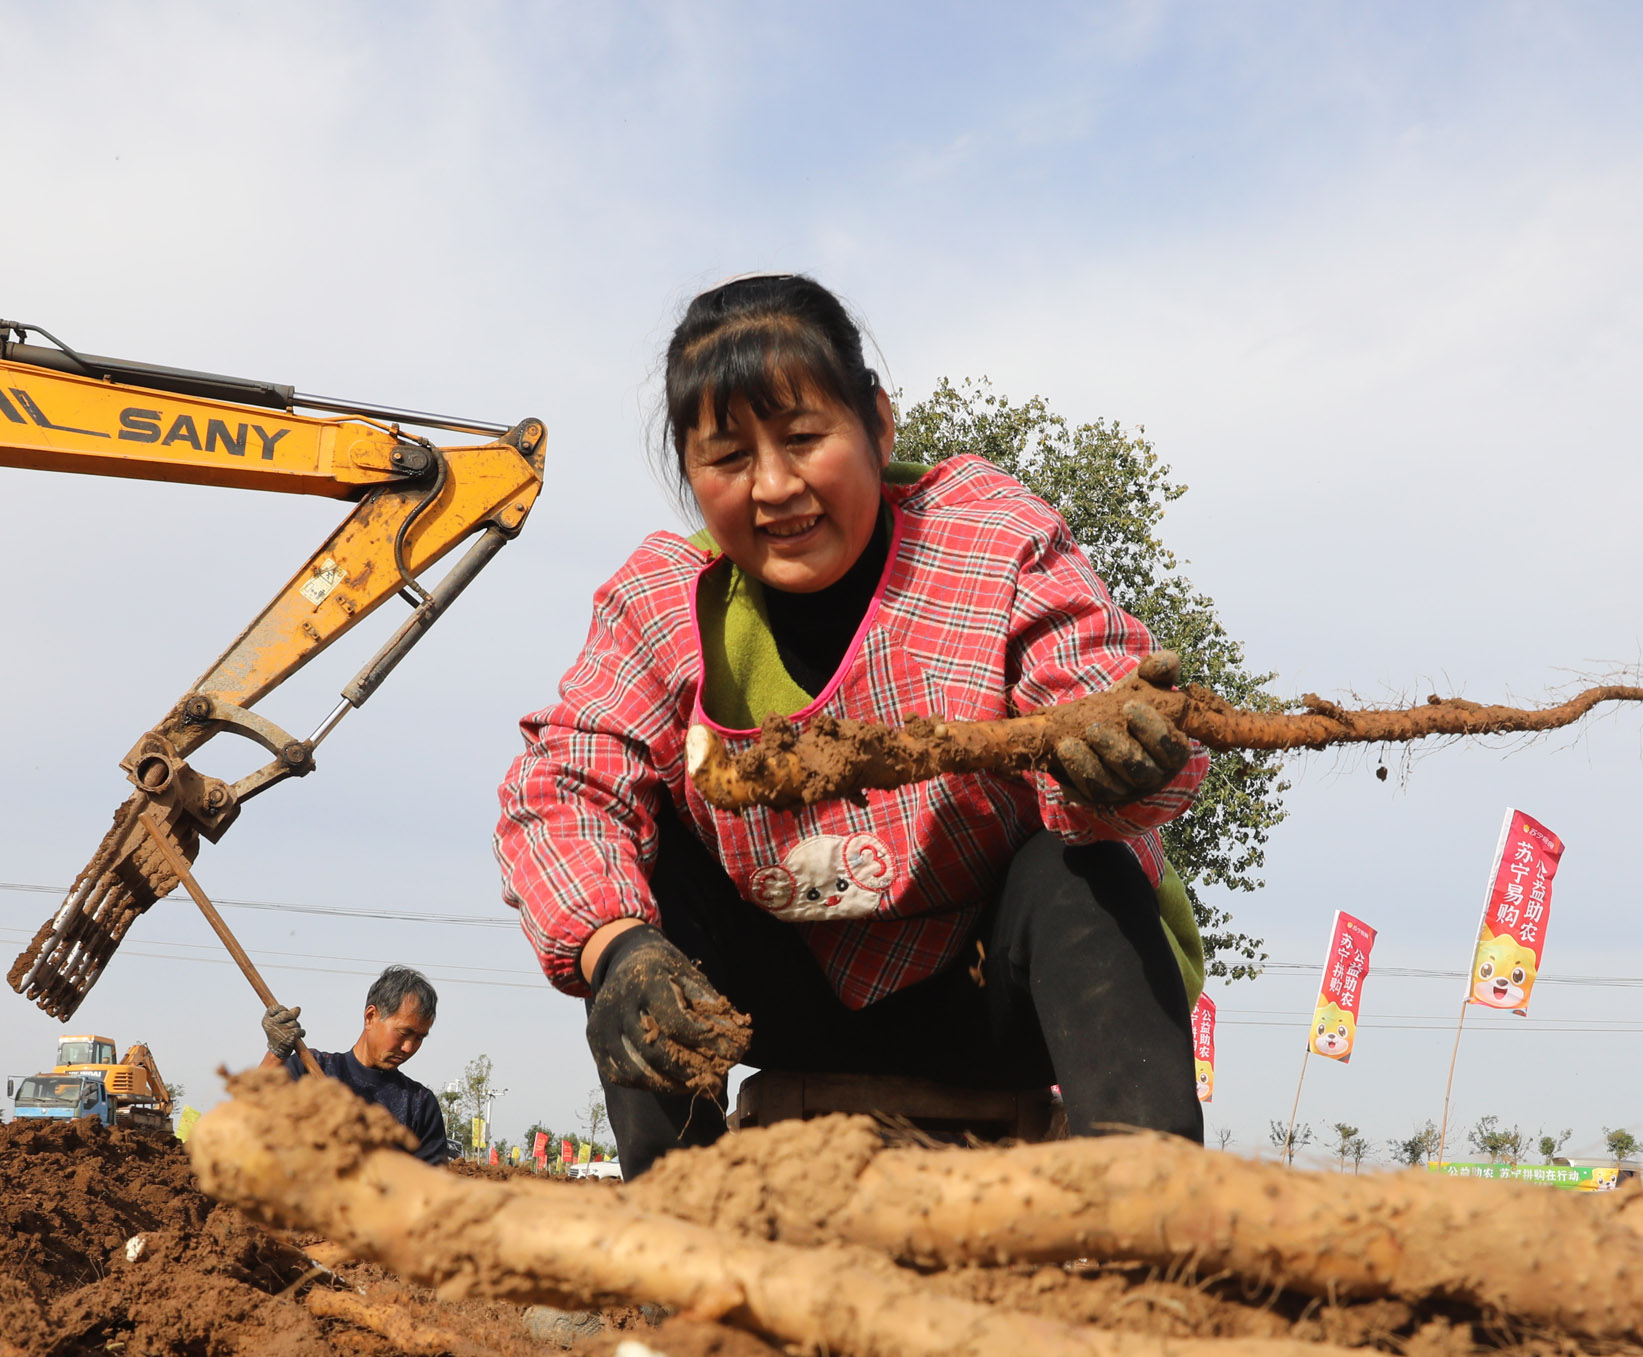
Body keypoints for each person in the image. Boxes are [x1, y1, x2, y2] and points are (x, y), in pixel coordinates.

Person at [496, 274, 1209, 1179]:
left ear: (878, 424)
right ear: (690, 472)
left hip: (994, 998)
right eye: (728, 457)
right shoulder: (659, 604)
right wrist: (613, 947)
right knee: (642, 901)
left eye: (803, 438)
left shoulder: (991, 541)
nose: (775, 487)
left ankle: (1154, 1221)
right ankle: (681, 1229)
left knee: (1080, 866)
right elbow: (564, 787)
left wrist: (1121, 756)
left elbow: (1095, 686)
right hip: (782, 1006)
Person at [260, 965, 451, 1164]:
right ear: (371, 1017)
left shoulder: (420, 1104)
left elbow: (433, 1180)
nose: (408, 1047)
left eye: (419, 1038)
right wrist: (276, 1054)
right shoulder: (307, 1069)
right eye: (404, 1033)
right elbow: (246, 1118)